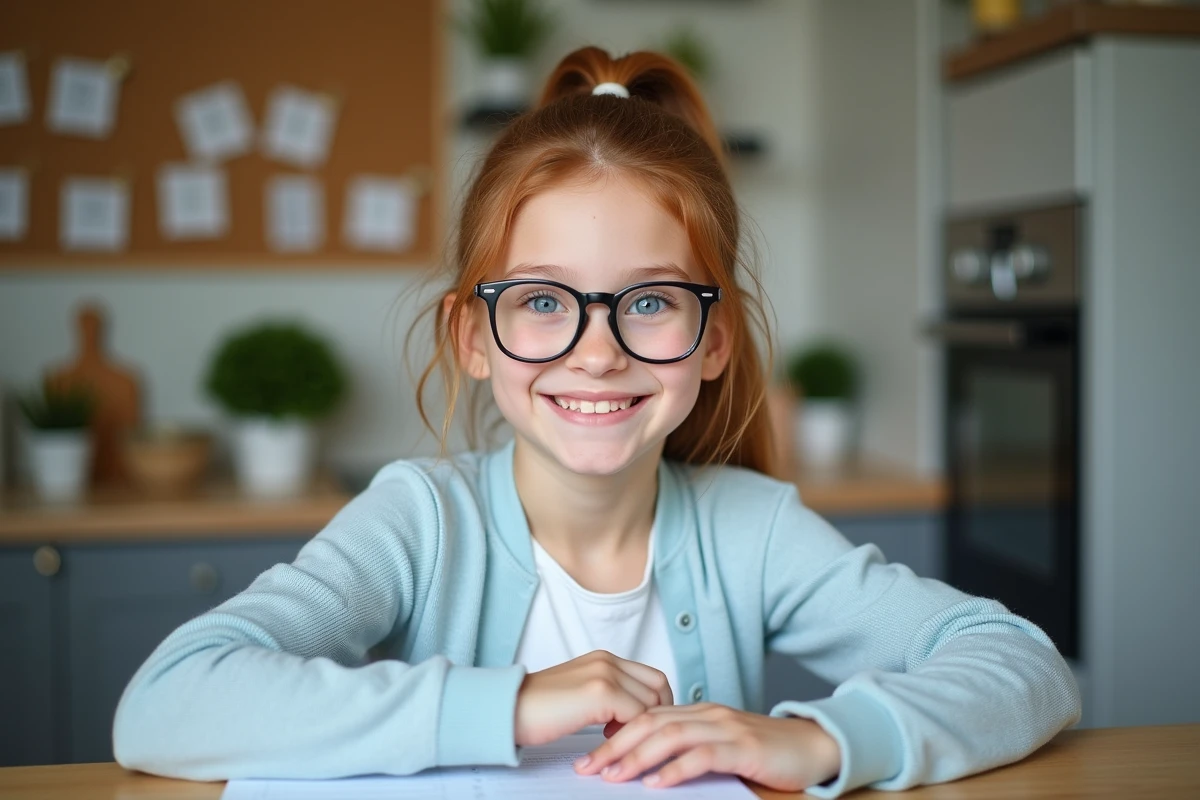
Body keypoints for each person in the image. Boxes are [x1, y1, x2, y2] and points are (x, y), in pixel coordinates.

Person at [113, 47, 1080, 797]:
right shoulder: (419, 522)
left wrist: (821, 739)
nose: (597, 350)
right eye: (541, 301)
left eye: (651, 302)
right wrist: (517, 704)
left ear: (716, 340)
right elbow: (165, 704)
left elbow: (1024, 665)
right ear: (474, 335)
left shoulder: (752, 528)